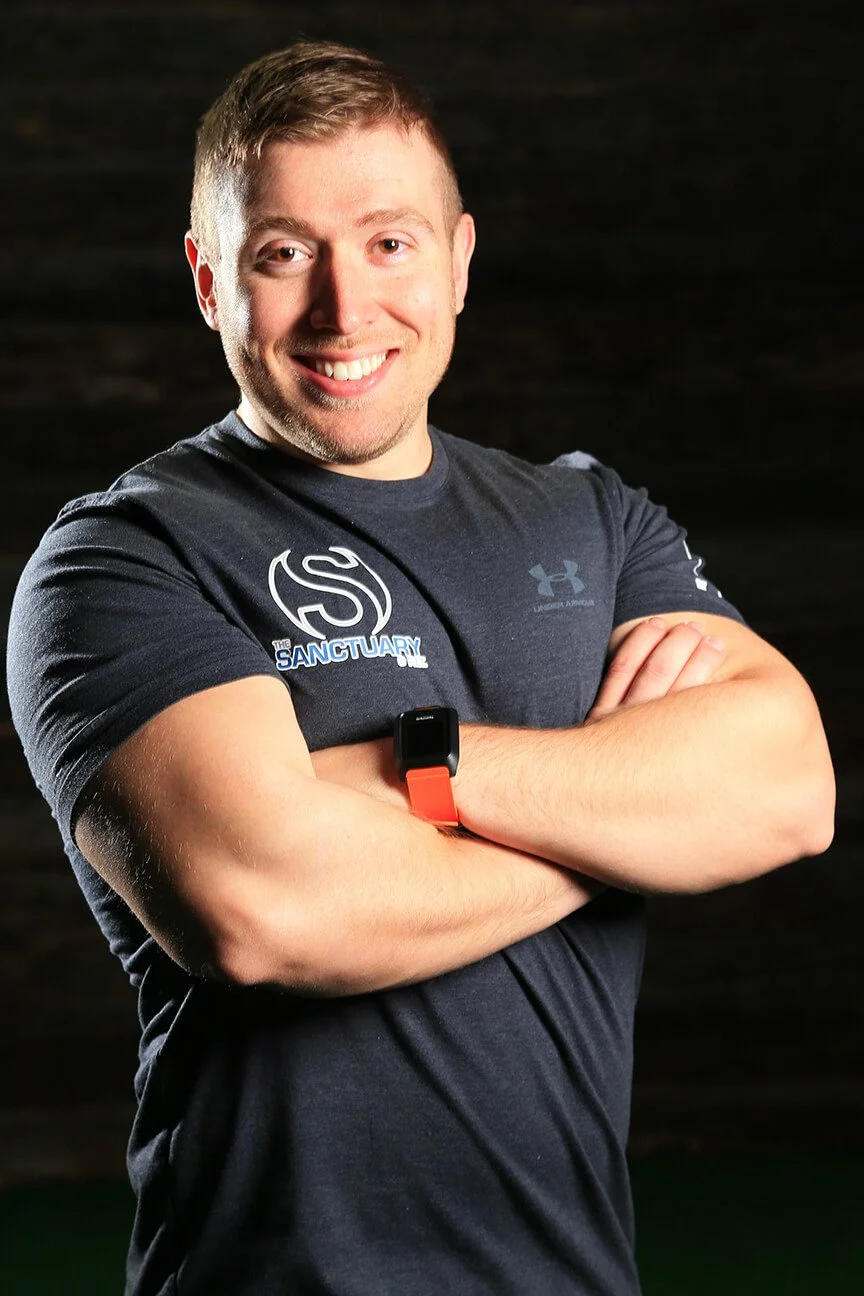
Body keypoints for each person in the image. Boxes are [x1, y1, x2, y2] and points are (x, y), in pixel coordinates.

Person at [6, 38, 834, 1296]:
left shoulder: (591, 522)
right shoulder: (124, 557)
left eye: (390, 243)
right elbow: (264, 908)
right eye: (285, 254)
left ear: (458, 260)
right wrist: (620, 825)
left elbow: (786, 791)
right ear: (209, 280)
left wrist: (422, 773)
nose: (346, 308)